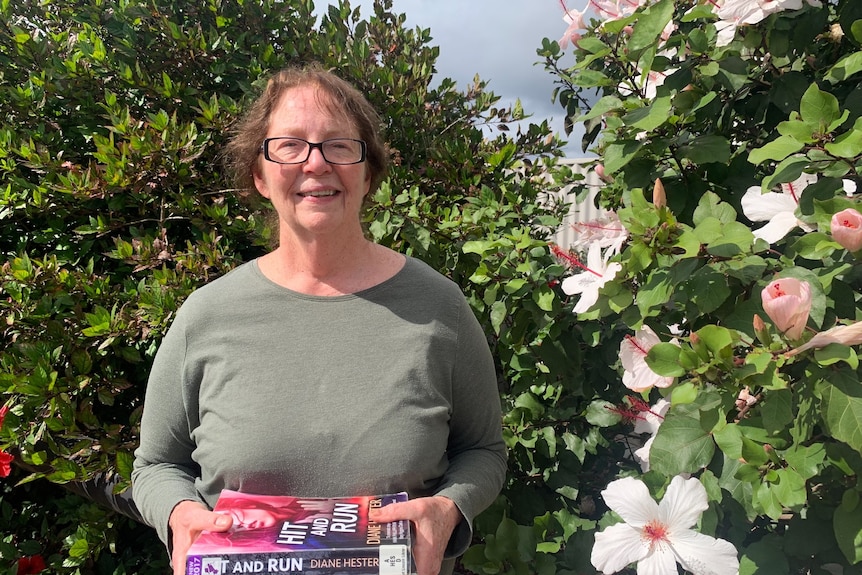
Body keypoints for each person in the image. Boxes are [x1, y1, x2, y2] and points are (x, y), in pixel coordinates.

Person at [131, 63, 507, 575]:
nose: (316, 163)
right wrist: (180, 515)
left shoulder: (439, 307)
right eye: (289, 145)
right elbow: (156, 466)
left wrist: (447, 510)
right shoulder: (207, 315)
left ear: (368, 171)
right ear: (259, 176)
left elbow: (482, 450)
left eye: (339, 145)